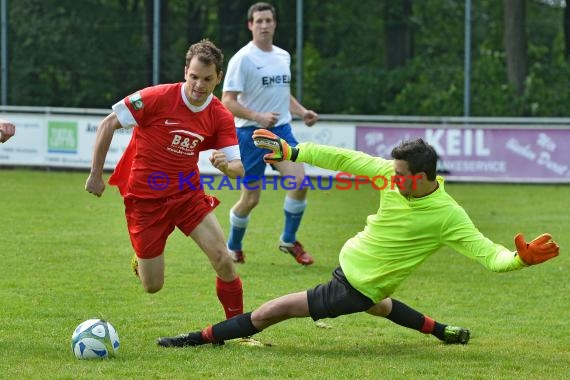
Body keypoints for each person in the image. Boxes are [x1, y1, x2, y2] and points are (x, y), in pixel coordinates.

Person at [156, 132, 560, 348]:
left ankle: (196, 338)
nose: (391, 177)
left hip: (351, 287)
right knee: (381, 306)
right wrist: (292, 150)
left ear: (421, 178)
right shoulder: (391, 173)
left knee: (269, 312)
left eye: (400, 174)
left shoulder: (448, 216)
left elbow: (490, 255)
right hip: (361, 279)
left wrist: (519, 260)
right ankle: (443, 332)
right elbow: (344, 158)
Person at [85, 39, 245, 320]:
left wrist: (226, 167)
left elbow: (238, 167)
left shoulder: (219, 114)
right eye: (194, 77)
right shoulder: (156, 97)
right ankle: (141, 258)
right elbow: (108, 123)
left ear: (218, 78)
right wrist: (96, 175)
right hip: (146, 199)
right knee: (153, 286)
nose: (199, 85)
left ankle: (238, 327)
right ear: (185, 71)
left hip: (187, 194)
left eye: (207, 79)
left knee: (223, 258)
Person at [222, 2, 319, 265]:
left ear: (275, 23)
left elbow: (282, 93)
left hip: (280, 131)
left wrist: (302, 112)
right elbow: (227, 101)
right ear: (250, 25)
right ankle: (233, 246)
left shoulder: (283, 56)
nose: (264, 25)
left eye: (268, 20)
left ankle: (288, 239)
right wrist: (257, 117)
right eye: (259, 21)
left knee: (299, 182)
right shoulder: (242, 59)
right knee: (251, 199)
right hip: (250, 135)